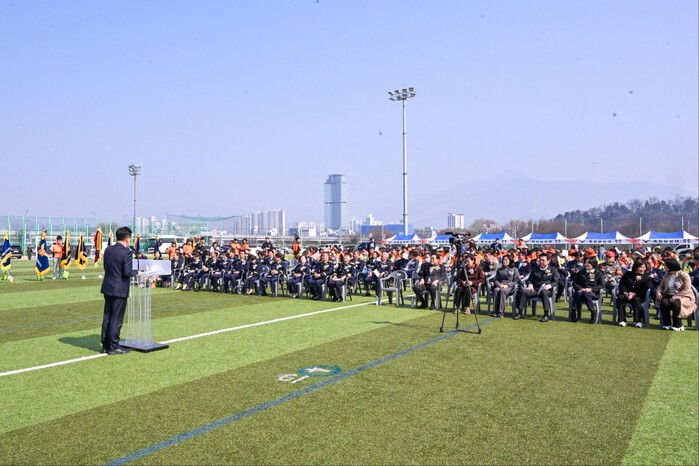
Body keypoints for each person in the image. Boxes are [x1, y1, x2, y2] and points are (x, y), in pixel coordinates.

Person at [100, 226, 139, 355]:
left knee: (107, 316)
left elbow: (106, 267)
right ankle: (113, 345)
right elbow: (127, 272)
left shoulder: (108, 249)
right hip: (119, 288)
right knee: (116, 318)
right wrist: (138, 272)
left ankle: (105, 344)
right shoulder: (126, 252)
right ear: (127, 238)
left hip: (108, 286)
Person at [515, 253, 559, 322]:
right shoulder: (535, 269)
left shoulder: (553, 269)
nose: (541, 262)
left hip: (547, 290)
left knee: (544, 293)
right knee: (524, 292)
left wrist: (549, 286)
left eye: (543, 260)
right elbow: (529, 280)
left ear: (548, 261)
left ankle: (546, 314)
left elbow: (556, 282)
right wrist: (530, 284)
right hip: (536, 289)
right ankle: (520, 312)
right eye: (540, 260)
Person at [656, 258, 696, 331]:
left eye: (665, 266)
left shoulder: (684, 275)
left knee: (676, 304)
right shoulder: (666, 275)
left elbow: (686, 289)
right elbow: (660, 286)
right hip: (669, 295)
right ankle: (667, 324)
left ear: (670, 267)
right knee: (664, 303)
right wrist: (658, 291)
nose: (664, 267)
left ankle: (677, 324)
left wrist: (676, 296)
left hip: (683, 296)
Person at [616, 260, 651, 328]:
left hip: (638, 295)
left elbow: (644, 289)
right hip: (626, 294)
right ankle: (622, 320)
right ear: (635, 267)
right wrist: (625, 293)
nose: (642, 269)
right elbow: (622, 284)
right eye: (640, 267)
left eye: (644, 267)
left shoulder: (647, 277)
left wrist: (634, 294)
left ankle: (638, 321)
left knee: (636, 300)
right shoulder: (627, 274)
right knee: (620, 298)